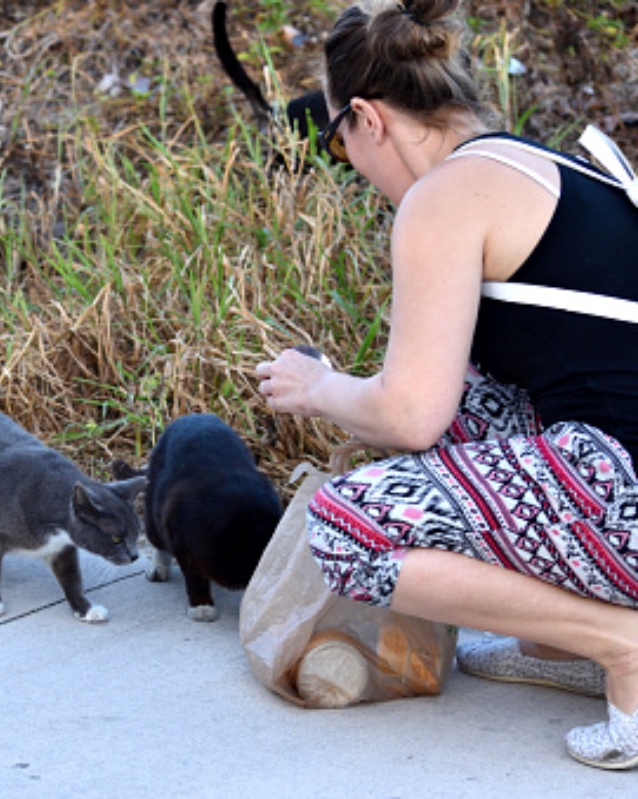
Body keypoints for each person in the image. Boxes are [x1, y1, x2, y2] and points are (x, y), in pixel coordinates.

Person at [253, 0, 638, 770]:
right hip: (619, 468)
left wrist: (318, 386)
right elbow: (451, 395)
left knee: (346, 529)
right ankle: (559, 639)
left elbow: (408, 415)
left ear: (368, 117)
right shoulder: (536, 164)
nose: (350, 164)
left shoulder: (444, 199)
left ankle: (622, 647)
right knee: (471, 390)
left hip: (623, 485)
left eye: (336, 141)